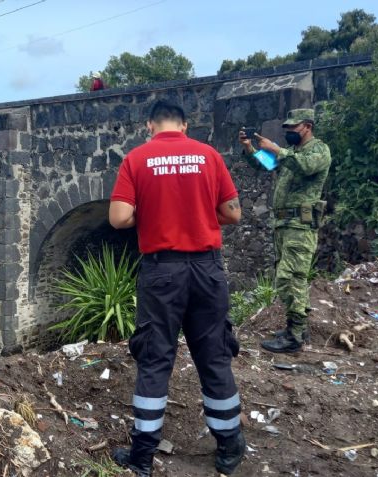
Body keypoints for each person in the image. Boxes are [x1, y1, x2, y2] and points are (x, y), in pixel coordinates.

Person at [108, 100, 245, 476]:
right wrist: (199, 211)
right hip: (207, 270)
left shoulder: (137, 158)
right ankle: (230, 445)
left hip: (162, 272)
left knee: (154, 358)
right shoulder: (208, 155)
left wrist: (151, 212)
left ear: (150, 125)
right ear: (184, 125)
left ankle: (142, 459)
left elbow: (119, 217)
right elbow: (233, 212)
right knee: (214, 354)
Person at [239, 109, 332, 353]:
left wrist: (276, 148)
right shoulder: (293, 154)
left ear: (308, 126)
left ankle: (295, 337)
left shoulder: (318, 150)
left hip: (300, 227)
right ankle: (296, 328)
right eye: (288, 128)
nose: (290, 132)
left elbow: (307, 167)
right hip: (284, 226)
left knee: (289, 278)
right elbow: (268, 165)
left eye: (294, 127)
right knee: (289, 278)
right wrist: (251, 149)